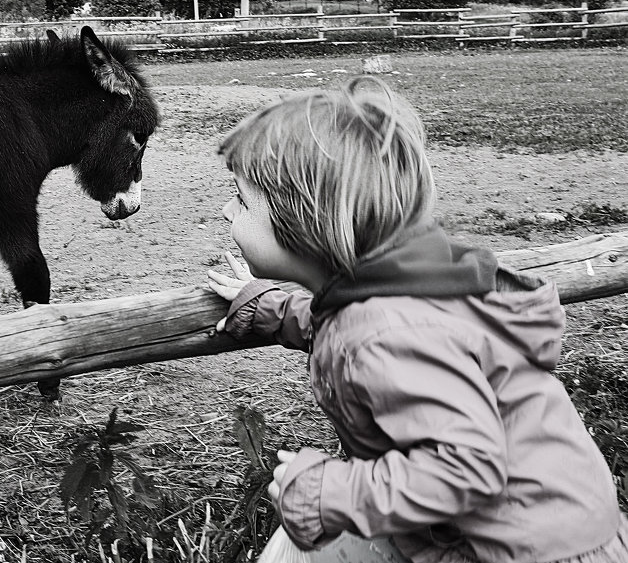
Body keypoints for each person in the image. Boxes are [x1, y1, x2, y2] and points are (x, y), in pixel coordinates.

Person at [203, 75, 628, 563]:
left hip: (525, 550)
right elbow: (341, 326)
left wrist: (332, 495)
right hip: (504, 528)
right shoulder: (406, 289)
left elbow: (468, 468)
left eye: (240, 199)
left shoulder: (390, 332)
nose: (224, 209)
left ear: (303, 223)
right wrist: (270, 307)